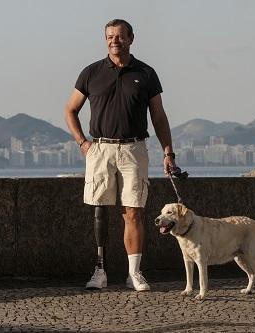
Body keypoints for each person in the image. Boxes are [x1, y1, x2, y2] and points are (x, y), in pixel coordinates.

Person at [64, 19, 177, 291]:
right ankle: (100, 270)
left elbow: (159, 116)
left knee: (134, 211)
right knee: (99, 210)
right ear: (105, 40)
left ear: (131, 39)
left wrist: (168, 152)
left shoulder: (146, 73)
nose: (114, 40)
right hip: (100, 148)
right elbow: (70, 110)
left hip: (134, 148)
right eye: (109, 36)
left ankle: (134, 273)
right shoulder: (91, 73)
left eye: (119, 36)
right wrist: (82, 143)